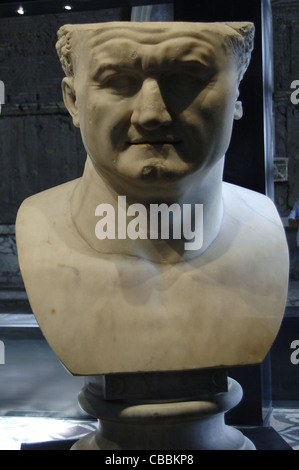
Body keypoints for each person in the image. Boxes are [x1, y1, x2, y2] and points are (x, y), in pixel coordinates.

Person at [15, 22, 289, 376]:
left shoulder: (263, 227)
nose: (152, 115)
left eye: (187, 79)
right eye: (117, 81)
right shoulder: (40, 225)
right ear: (73, 101)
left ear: (236, 95)